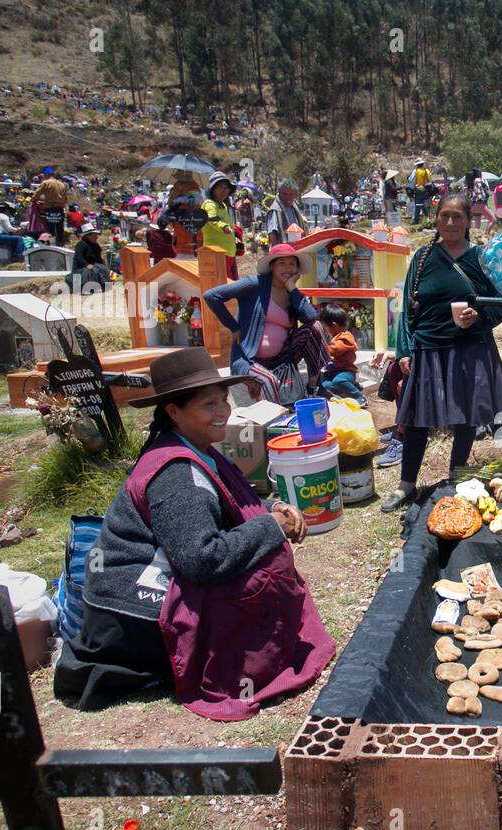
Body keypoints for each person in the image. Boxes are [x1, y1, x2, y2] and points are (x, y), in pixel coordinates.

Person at [53, 348, 335, 716]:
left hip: (157, 588)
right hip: (135, 616)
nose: (222, 412)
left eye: (223, 401)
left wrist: (272, 509)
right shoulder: (175, 473)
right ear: (174, 412)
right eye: (208, 405)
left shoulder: (199, 451)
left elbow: (228, 506)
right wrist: (271, 527)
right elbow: (203, 559)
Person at [379, 193, 502, 512]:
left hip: (469, 349)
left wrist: (479, 317)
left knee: (466, 419)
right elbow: (407, 309)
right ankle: (405, 486)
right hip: (428, 348)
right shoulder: (423, 258)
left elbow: (500, 304)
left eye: (457, 217)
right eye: (444, 216)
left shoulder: (481, 259)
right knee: (415, 421)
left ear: (469, 221)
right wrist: (404, 349)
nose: (450, 222)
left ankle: (458, 478)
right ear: (436, 218)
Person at [203, 243, 327, 404]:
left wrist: (291, 287)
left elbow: (310, 318)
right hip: (249, 359)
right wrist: (233, 327)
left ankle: (313, 388)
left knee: (314, 328)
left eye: (292, 264)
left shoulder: (292, 293)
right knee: (268, 381)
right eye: (281, 263)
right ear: (272, 266)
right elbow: (212, 296)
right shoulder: (254, 284)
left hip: (282, 358)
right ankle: (276, 423)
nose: (287, 268)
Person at [316, 305, 368, 407]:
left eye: (326, 328)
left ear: (334, 326)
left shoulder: (345, 337)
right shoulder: (337, 336)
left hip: (347, 371)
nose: (326, 331)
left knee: (338, 381)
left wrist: (320, 347)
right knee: (324, 384)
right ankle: (350, 388)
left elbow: (334, 350)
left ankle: (359, 396)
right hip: (336, 370)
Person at [201, 171, 238, 279]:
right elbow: (211, 218)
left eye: (226, 188)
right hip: (216, 253)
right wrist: (224, 227)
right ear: (213, 189)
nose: (224, 191)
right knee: (221, 285)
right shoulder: (209, 204)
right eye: (220, 187)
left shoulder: (223, 206)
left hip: (227, 253)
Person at [265, 179, 308, 246]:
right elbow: (272, 234)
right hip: (283, 249)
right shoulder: (275, 210)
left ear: (295, 195)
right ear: (280, 194)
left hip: (297, 247)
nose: (288, 197)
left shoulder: (295, 208)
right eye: (285, 194)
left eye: (291, 194)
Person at [70, 222, 110, 292]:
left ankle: (103, 285)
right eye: (94, 235)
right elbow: (79, 257)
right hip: (81, 267)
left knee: (102, 268)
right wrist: (87, 264)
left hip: (93, 265)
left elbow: (98, 258)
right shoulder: (81, 244)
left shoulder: (95, 245)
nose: (96, 237)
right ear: (88, 236)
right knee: (89, 272)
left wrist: (102, 264)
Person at [34, 169, 69, 245]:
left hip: (50, 208)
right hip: (60, 209)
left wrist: (33, 199)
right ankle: (60, 244)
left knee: (50, 228)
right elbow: (66, 198)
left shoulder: (46, 183)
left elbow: (37, 193)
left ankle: (51, 245)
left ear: (47, 174)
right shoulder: (61, 184)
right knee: (60, 228)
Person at [409, 159, 432, 224]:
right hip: (426, 189)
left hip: (418, 190)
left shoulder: (416, 171)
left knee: (418, 205)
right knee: (425, 205)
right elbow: (430, 180)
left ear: (417, 165)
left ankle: (416, 220)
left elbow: (410, 179)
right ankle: (427, 219)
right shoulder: (427, 170)